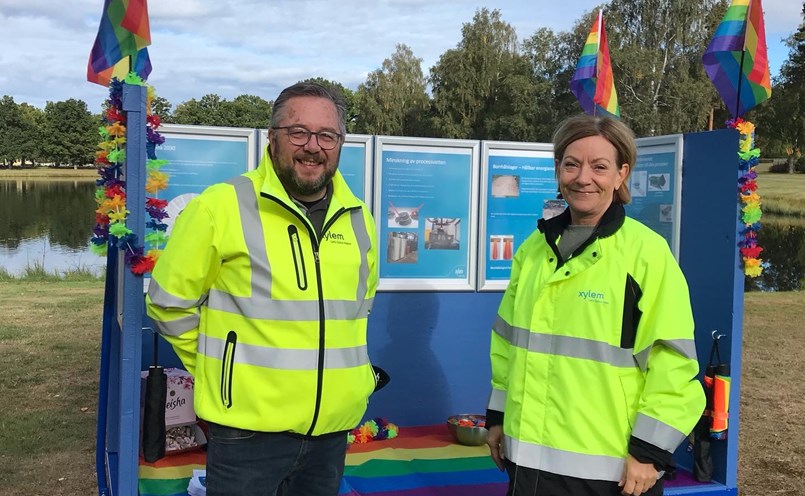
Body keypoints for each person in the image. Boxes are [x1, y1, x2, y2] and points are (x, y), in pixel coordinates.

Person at [146, 82, 380, 496]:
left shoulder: (360, 219)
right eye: (298, 132)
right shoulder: (219, 206)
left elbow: (358, 313)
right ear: (272, 139)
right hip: (246, 435)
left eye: (326, 135)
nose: (313, 146)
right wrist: (222, 373)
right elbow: (167, 303)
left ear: (340, 143)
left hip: (331, 431)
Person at [485, 114, 705, 496]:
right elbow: (507, 347)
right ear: (558, 170)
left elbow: (672, 363)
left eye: (599, 167)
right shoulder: (533, 252)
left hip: (613, 473)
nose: (583, 177)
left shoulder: (647, 254)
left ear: (621, 175)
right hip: (527, 464)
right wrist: (499, 417)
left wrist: (650, 452)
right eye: (572, 164)